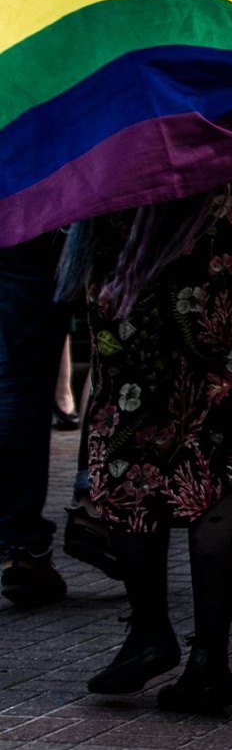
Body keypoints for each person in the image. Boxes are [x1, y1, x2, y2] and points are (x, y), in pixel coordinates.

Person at [61, 149, 232, 713]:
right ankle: (208, 658)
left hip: (146, 224)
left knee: (132, 440)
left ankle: (150, 632)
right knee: (216, 449)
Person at [0, 232, 72, 607]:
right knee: (120, 353)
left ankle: (20, 544)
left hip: (16, 204)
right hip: (59, 206)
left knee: (17, 383)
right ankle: (96, 507)